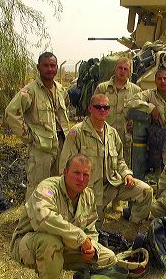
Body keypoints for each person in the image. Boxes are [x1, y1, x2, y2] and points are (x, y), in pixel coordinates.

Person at [9, 154, 117, 279]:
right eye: (76, 173)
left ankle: (64, 272)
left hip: (64, 246)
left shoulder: (88, 196)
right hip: (28, 245)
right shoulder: (47, 188)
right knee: (50, 241)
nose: (81, 179)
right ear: (64, 172)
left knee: (108, 257)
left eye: (85, 175)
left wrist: (91, 248)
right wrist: (80, 237)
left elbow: (91, 229)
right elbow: (42, 218)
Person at [59, 93, 153, 225]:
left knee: (145, 191)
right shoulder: (77, 133)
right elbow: (65, 166)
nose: (102, 110)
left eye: (106, 107)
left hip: (112, 183)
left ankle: (134, 228)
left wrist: (127, 174)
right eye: (98, 107)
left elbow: (120, 160)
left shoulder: (112, 133)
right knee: (92, 227)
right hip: (89, 190)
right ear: (90, 108)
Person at [4, 52, 69, 200]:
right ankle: (30, 222)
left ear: (57, 68)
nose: (49, 69)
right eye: (45, 65)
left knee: (57, 186)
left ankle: (49, 218)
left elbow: (63, 113)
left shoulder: (60, 90)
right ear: (38, 67)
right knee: (37, 188)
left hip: (60, 145)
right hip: (41, 149)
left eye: (52, 65)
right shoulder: (31, 90)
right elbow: (11, 113)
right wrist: (28, 136)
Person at [93, 57, 142, 161]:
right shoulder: (102, 88)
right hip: (104, 138)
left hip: (125, 142)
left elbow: (140, 115)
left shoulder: (136, 91)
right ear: (115, 69)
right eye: (120, 68)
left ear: (130, 73)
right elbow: (93, 111)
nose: (122, 71)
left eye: (126, 69)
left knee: (123, 170)